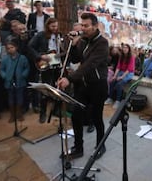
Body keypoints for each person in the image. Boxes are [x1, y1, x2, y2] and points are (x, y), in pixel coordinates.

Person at [57, 12, 109, 160]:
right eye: (82, 25)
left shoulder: (102, 43)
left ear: (95, 26)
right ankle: (78, 147)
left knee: (96, 117)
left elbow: (88, 65)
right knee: (76, 114)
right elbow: (75, 59)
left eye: (86, 26)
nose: (83, 28)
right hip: (83, 85)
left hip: (97, 86)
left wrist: (69, 79)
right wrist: (73, 44)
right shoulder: (84, 41)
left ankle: (101, 145)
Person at [27, 18, 64, 123]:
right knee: (46, 88)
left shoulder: (59, 35)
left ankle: (56, 110)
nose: (55, 28)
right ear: (47, 26)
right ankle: (42, 112)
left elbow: (62, 50)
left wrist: (62, 51)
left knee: (58, 86)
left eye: (56, 26)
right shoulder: (40, 35)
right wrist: (40, 56)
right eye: (53, 26)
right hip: (45, 63)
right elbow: (30, 46)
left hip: (57, 63)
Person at [0, 40, 30, 122]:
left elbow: (27, 68)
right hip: (9, 82)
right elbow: (2, 69)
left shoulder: (22, 58)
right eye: (8, 48)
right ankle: (12, 115)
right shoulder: (5, 59)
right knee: (11, 98)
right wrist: (5, 76)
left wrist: (23, 75)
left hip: (20, 82)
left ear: (16, 47)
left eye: (12, 47)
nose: (10, 49)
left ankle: (19, 113)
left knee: (20, 98)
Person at [106, 43, 135, 109]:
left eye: (126, 48)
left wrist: (121, 77)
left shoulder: (131, 57)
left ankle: (118, 101)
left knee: (120, 84)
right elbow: (118, 67)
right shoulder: (121, 56)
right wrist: (115, 76)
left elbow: (129, 69)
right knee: (112, 81)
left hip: (128, 73)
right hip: (121, 72)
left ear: (129, 49)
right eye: (124, 47)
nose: (125, 49)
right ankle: (110, 98)